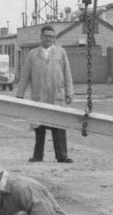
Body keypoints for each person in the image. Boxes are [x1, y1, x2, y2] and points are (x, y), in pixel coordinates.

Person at [16, 23, 75, 163]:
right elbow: (25, 75)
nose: (49, 39)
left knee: (58, 126)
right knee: (39, 127)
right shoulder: (32, 54)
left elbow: (67, 73)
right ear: (41, 37)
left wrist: (69, 92)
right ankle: (37, 156)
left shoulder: (61, 52)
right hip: (39, 96)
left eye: (52, 37)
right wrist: (20, 95)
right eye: (46, 36)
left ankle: (62, 156)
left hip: (56, 95)